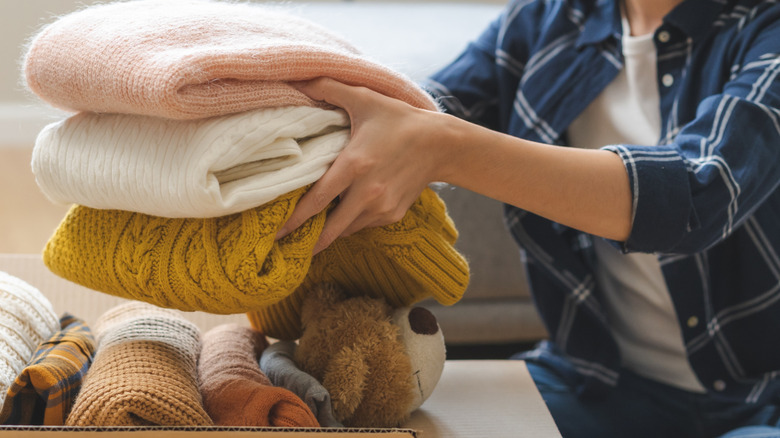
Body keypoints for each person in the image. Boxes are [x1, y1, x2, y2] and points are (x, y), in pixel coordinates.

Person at [275, 0, 780, 436]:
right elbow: (417, 107)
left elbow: (697, 197)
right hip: (592, 378)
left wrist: (446, 147)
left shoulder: (765, 31)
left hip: (761, 400)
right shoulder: (549, 20)